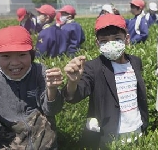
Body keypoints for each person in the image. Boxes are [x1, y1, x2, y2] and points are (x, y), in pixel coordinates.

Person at [0, 25, 64, 149]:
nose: (15, 62)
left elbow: (53, 110)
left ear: (32, 54)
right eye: (6, 56)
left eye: (22, 55)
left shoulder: (41, 72)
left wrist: (52, 90)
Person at [62, 14, 148, 149]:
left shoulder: (135, 62)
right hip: (110, 134)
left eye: (117, 38)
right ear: (97, 43)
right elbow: (75, 95)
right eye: (104, 41)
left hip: (136, 129)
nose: (111, 44)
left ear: (127, 39)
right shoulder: (93, 67)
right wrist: (72, 82)